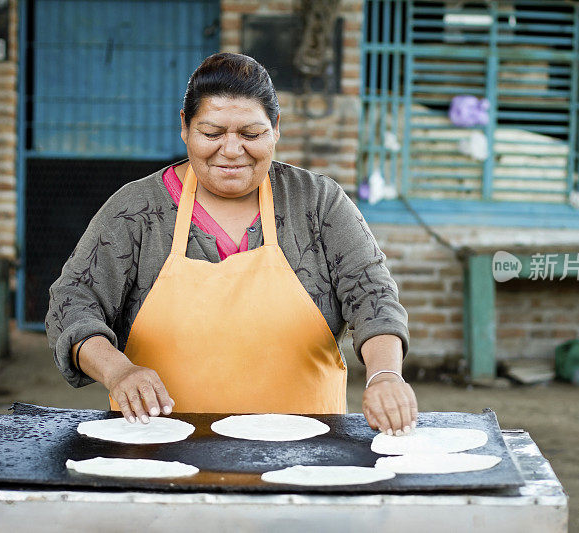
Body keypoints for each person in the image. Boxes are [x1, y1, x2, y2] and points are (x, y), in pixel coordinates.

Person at [46, 53, 417, 436]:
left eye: (250, 134)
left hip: (305, 453)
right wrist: (118, 369)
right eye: (212, 133)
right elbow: (73, 301)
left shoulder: (318, 203)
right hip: (160, 452)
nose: (232, 150)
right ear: (185, 127)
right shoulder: (137, 210)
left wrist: (385, 375)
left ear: (275, 128)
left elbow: (373, 295)